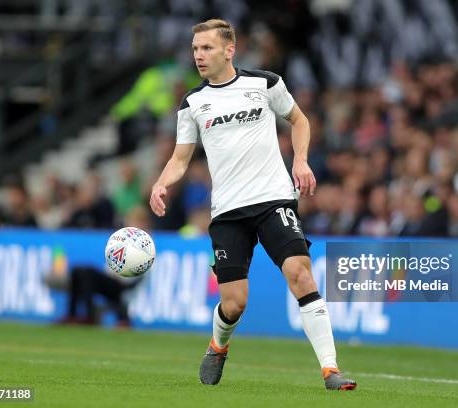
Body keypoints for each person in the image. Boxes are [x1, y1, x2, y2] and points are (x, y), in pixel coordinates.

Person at [149, 19, 356, 391]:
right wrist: (161, 183)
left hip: (273, 198)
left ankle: (330, 369)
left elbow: (299, 120)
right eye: (195, 49)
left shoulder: (264, 83)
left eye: (207, 48)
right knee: (235, 303)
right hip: (228, 212)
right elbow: (181, 159)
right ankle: (218, 345)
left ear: (230, 50)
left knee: (301, 273)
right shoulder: (193, 103)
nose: (199, 55)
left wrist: (301, 159)